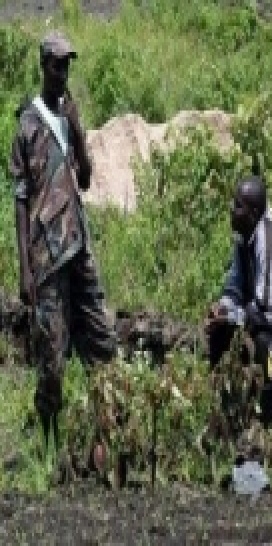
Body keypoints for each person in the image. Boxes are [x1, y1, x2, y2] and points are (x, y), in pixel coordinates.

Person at [9, 31, 117, 454]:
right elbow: (20, 200)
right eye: (56, 65)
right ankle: (48, 442)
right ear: (43, 67)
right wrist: (24, 268)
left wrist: (77, 130)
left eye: (67, 65)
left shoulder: (69, 118)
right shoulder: (28, 125)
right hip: (47, 257)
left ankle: (105, 433)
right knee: (50, 360)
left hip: (79, 249)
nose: (63, 72)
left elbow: (86, 180)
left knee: (101, 343)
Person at [204, 175, 272, 424]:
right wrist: (222, 309)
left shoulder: (268, 242)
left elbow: (269, 311)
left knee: (264, 344)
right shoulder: (244, 235)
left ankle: (270, 413)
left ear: (253, 213)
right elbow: (234, 287)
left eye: (238, 206)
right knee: (219, 331)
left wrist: (234, 316)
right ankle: (223, 408)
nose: (232, 209)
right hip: (262, 317)